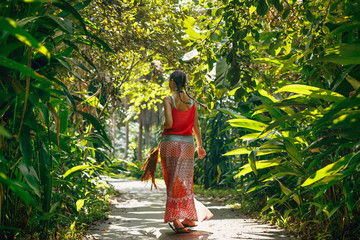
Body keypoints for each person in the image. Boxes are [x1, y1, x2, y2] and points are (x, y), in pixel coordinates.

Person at [160, 70, 213, 233]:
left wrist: (163, 125)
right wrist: (200, 145)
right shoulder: (191, 101)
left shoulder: (168, 100)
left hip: (171, 144)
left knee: (172, 181)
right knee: (185, 180)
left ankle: (176, 220)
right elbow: (196, 125)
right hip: (188, 144)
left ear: (172, 82)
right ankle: (189, 218)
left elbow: (169, 123)